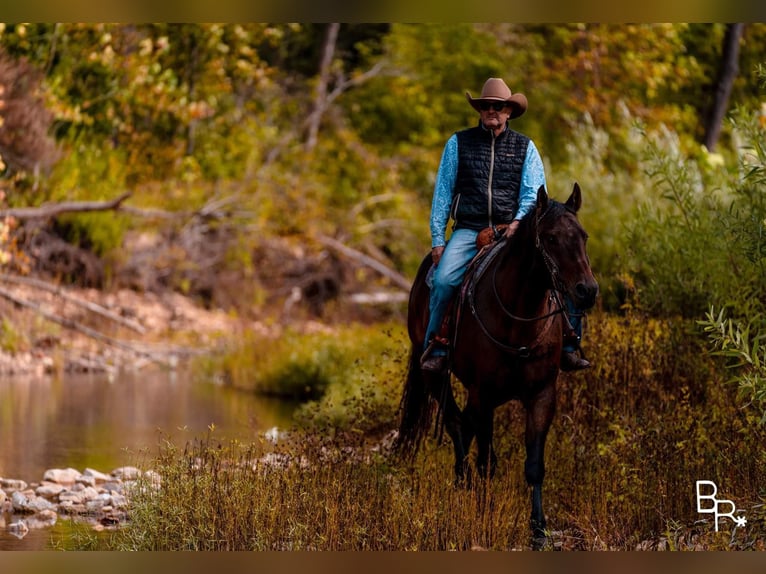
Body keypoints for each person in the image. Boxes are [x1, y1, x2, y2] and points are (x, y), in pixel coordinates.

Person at [420, 77, 590, 373]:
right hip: (469, 230)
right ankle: (438, 345)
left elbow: (533, 193)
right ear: (480, 110)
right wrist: (438, 239)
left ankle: (568, 344)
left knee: (557, 271)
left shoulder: (526, 148)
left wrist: (516, 222)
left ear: (509, 111)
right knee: (445, 280)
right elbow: (443, 193)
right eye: (486, 106)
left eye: (498, 107)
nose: (492, 111)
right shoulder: (458, 143)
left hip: (514, 231)